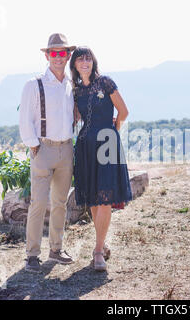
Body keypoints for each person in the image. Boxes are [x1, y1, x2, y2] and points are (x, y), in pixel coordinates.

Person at [70, 46, 133, 272]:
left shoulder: (105, 83)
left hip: (108, 144)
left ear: (93, 62)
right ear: (75, 65)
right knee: (94, 199)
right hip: (86, 147)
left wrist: (114, 128)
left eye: (88, 59)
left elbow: (123, 111)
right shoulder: (75, 91)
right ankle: (102, 244)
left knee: (105, 197)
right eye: (80, 60)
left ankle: (97, 252)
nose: (84, 63)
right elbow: (75, 117)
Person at [19, 33, 76, 273]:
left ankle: (56, 249)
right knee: (38, 203)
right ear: (46, 55)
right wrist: (33, 144)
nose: (58, 57)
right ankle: (32, 254)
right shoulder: (34, 84)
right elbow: (24, 119)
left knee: (61, 203)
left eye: (62, 52)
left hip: (66, 149)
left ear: (68, 55)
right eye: (53, 53)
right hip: (43, 148)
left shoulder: (71, 84)